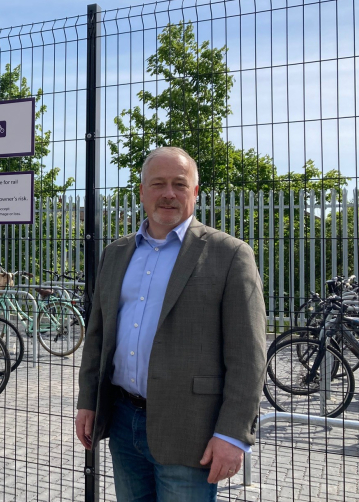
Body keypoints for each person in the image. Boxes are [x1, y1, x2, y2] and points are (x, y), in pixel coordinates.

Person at [75, 147, 266, 501]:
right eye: (158, 183)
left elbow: (249, 356)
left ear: (195, 192)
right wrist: (88, 400)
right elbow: (98, 336)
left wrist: (232, 435)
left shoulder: (230, 255)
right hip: (122, 421)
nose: (168, 193)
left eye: (180, 184)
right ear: (142, 192)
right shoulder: (116, 253)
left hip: (191, 431)